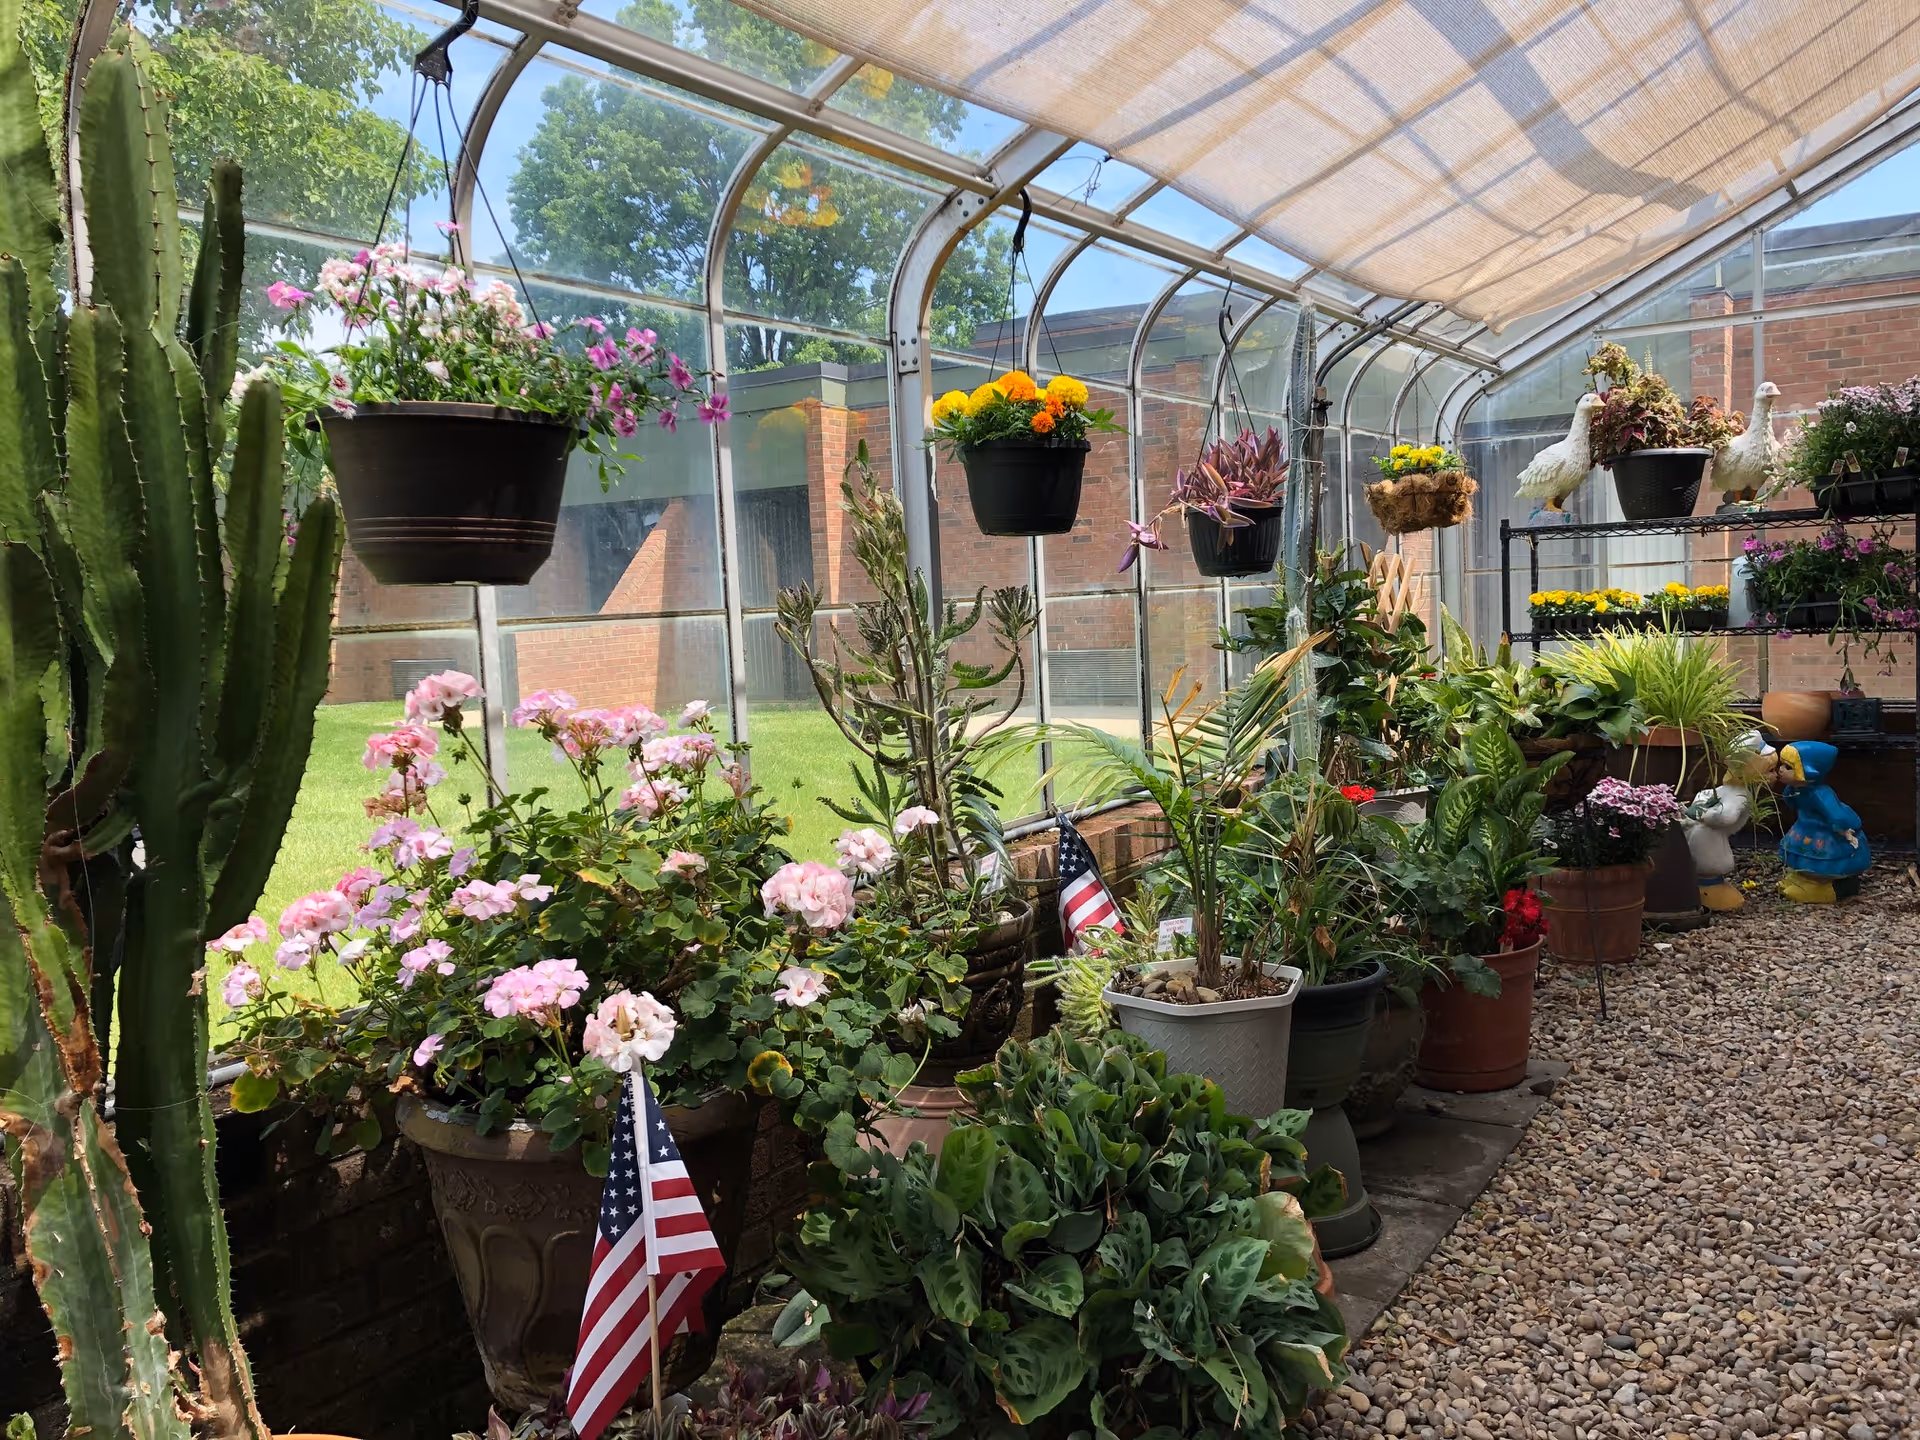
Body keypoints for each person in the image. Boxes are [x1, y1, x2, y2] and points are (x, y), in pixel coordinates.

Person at [1775, 741, 1870, 904]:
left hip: (1824, 833)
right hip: (1806, 828)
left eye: (1789, 767)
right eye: (1782, 765)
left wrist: (1841, 829)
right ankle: (1804, 880)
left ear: (1809, 771)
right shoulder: (1797, 789)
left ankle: (1829, 889)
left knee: (1821, 862)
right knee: (1801, 857)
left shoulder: (1819, 794)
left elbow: (1835, 813)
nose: (1781, 769)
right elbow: (1791, 802)